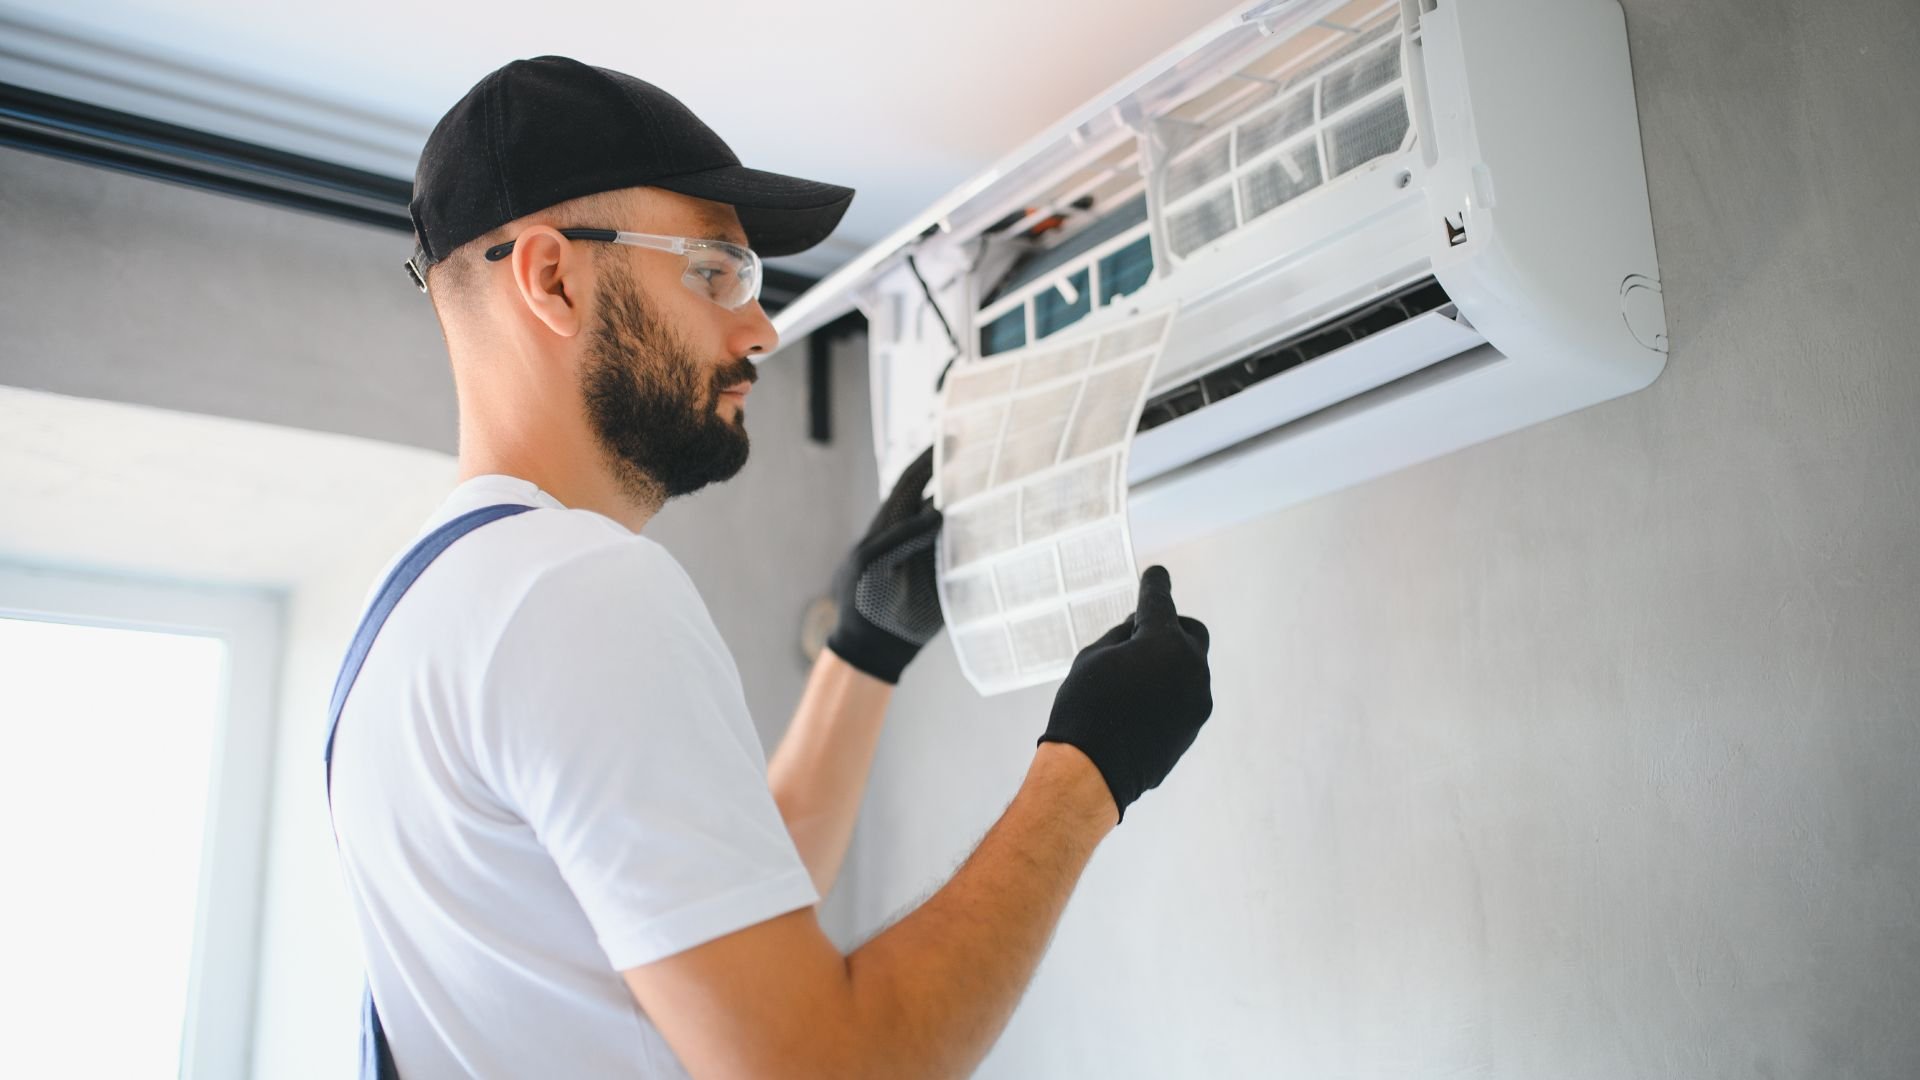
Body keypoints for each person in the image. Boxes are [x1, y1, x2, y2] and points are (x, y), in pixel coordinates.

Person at [327, 55, 1216, 1079]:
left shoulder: (416, 616)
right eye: (717, 272)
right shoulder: (571, 589)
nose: (762, 327)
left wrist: (863, 649)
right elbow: (826, 1064)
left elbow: (711, 913)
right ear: (554, 278)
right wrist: (1089, 769)